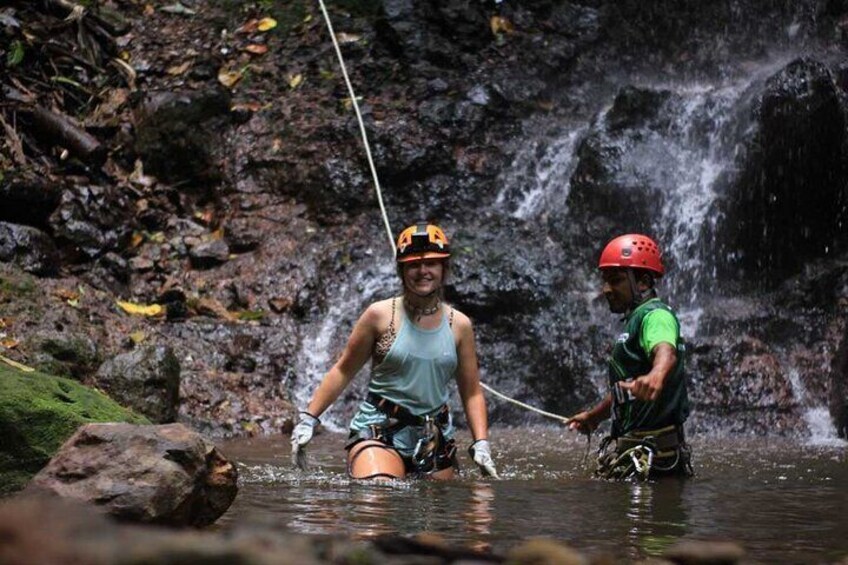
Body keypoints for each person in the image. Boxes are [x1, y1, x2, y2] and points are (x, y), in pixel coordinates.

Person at [291, 222, 498, 480]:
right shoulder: (379, 315)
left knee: (442, 511)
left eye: (431, 263)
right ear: (402, 270)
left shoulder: (460, 325)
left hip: (432, 437)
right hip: (380, 429)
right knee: (379, 493)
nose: (422, 271)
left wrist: (481, 443)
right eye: (413, 265)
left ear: (444, 268)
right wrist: (309, 418)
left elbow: (472, 393)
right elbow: (343, 370)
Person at [569, 234, 692, 479]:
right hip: (636, 456)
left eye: (615, 281)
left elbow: (665, 351)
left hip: (656, 462)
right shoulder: (636, 320)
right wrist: (593, 417)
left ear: (643, 282)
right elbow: (627, 390)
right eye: (604, 281)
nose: (606, 290)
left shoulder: (656, 316)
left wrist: (657, 375)